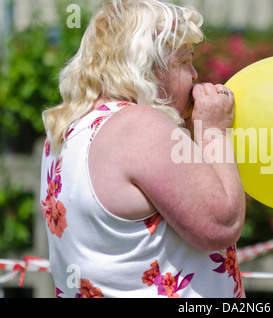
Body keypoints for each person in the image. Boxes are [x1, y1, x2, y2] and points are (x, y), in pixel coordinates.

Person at [40, 0, 246, 298]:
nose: (195, 73)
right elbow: (221, 223)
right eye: (185, 61)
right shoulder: (139, 126)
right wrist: (213, 130)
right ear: (148, 65)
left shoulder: (67, 129)